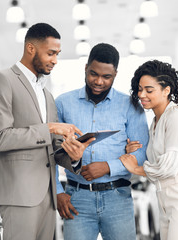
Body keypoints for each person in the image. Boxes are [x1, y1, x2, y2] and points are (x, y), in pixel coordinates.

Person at [0, 23, 93, 240]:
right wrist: (50, 128)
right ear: (31, 48)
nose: (55, 60)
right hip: (19, 197)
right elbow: (0, 138)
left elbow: (51, 147)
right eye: (50, 53)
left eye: (57, 54)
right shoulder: (1, 80)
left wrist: (74, 156)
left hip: (48, 198)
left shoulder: (47, 96)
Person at [55, 43, 149, 240]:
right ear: (86, 68)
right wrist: (57, 191)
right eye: (93, 74)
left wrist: (108, 167)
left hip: (118, 198)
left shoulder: (131, 106)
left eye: (106, 77)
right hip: (77, 198)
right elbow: (51, 152)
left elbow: (142, 153)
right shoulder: (63, 103)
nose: (98, 81)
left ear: (115, 74)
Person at [119, 60, 178, 240]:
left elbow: (170, 166)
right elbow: (157, 163)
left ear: (166, 90)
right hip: (164, 199)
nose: (142, 94)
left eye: (149, 90)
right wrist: (131, 151)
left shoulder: (176, 117)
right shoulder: (155, 122)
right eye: (139, 89)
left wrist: (136, 169)